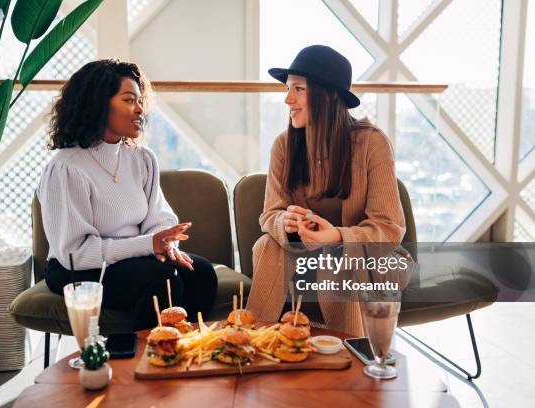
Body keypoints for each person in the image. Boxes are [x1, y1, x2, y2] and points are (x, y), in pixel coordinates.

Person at [37, 60, 217, 331]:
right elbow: (76, 252)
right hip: (77, 268)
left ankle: (184, 354)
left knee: (201, 273)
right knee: (162, 279)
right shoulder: (66, 167)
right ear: (99, 103)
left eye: (140, 100)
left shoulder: (142, 158)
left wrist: (165, 245)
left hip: (132, 258)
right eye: (129, 100)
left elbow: (158, 217)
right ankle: (137, 361)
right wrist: (148, 245)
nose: (140, 109)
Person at [246, 45, 412, 336]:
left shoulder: (372, 144)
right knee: (267, 244)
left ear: (326, 95)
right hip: (305, 253)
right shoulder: (284, 145)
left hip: (370, 256)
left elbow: (389, 229)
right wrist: (286, 222)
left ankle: (349, 350)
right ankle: (255, 340)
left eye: (298, 89)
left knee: (337, 253)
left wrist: (336, 235)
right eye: (288, 88)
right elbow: (269, 214)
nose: (288, 99)